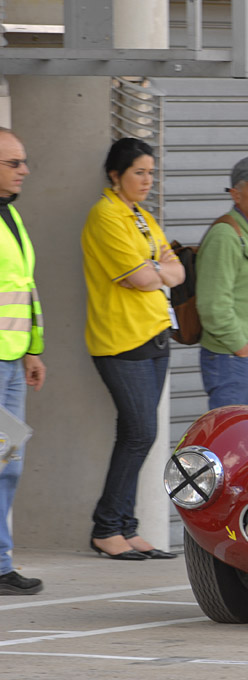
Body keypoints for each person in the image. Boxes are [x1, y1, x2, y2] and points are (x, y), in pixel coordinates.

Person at [82, 137, 184, 561]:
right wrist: (155, 270)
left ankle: (126, 527)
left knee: (138, 434)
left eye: (150, 172)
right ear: (115, 175)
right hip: (121, 339)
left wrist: (155, 269)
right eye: (138, 172)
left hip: (155, 335)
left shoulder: (140, 215)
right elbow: (142, 278)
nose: (147, 180)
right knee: (141, 432)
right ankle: (106, 528)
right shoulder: (106, 216)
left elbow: (174, 269)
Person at [195, 157, 248, 409]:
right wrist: (245, 353)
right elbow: (213, 307)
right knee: (233, 446)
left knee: (245, 443)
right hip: (231, 358)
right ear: (236, 194)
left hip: (244, 359)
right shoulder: (227, 236)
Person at [0, 128, 45, 594]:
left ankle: (0, 563)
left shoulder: (11, 216)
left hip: (11, 362)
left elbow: (26, 289)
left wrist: (34, 349)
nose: (24, 171)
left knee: (7, 465)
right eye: (14, 163)